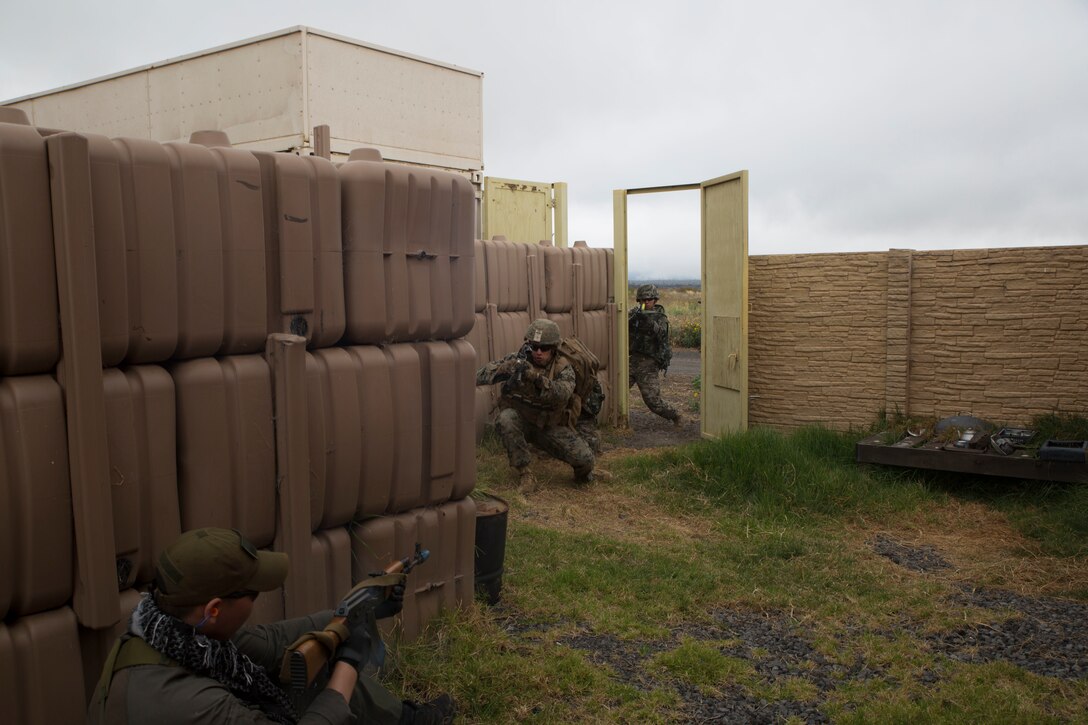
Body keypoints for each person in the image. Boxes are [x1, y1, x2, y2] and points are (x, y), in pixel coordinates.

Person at [88, 527, 455, 725]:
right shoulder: (188, 705)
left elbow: (272, 640)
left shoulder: (177, 632)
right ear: (214, 609)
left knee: (306, 668)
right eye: (253, 592)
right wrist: (347, 666)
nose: (259, 598)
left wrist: (359, 608)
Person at [476, 319, 596, 489]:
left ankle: (584, 476)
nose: (538, 352)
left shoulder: (563, 367)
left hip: (549, 426)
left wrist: (536, 378)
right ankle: (526, 474)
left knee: (585, 460)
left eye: (544, 348)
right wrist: (504, 368)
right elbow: (482, 374)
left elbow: (561, 394)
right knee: (506, 418)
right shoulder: (519, 360)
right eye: (534, 347)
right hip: (522, 422)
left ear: (553, 349)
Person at [628, 284, 681, 426]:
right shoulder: (635, 313)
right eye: (643, 300)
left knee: (653, 402)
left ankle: (675, 416)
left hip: (649, 363)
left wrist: (649, 323)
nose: (645, 302)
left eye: (649, 299)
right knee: (616, 391)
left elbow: (663, 334)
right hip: (632, 360)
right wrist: (633, 319)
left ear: (655, 300)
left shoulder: (660, 317)